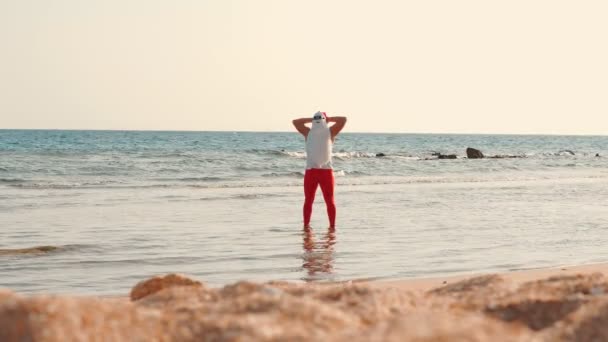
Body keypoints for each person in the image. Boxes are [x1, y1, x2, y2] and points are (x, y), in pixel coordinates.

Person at [292, 111, 347, 229]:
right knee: (318, 201)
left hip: (318, 172)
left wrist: (314, 119)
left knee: (317, 201)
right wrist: (327, 119)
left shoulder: (313, 132)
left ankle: (327, 227)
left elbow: (296, 122)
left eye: (318, 119)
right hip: (318, 172)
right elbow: (343, 120)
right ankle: (312, 226)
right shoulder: (328, 132)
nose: (317, 121)